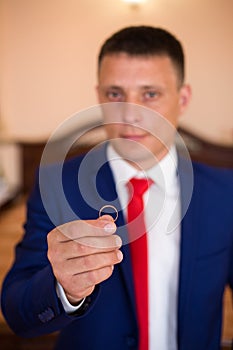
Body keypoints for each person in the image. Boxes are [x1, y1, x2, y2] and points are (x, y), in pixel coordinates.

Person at [1, 26, 233, 350]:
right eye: (115, 94)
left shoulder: (226, 193)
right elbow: (18, 316)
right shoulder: (57, 185)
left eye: (150, 94)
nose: (130, 114)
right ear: (99, 96)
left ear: (183, 98)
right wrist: (62, 289)